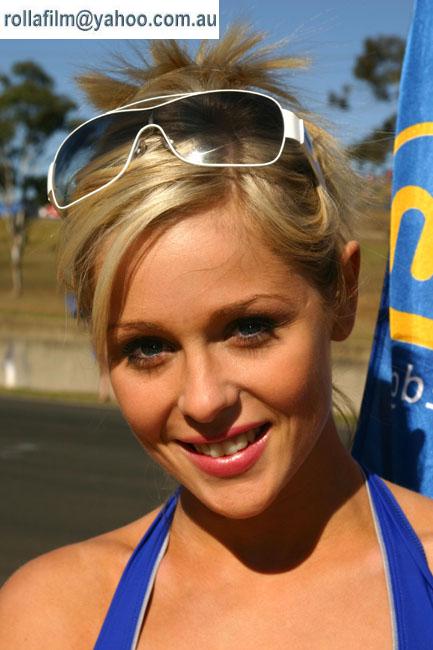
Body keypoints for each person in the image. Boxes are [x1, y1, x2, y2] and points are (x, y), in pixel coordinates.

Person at [1, 26, 433, 649]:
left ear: (342, 294)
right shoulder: (51, 618)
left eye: (248, 328)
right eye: (147, 348)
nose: (204, 401)